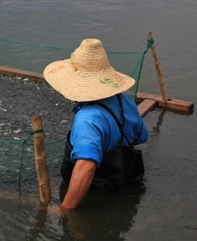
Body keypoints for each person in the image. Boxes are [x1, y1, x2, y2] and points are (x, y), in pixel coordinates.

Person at [43, 38, 148, 210]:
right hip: (125, 180)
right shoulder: (125, 100)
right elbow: (140, 136)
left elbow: (86, 166)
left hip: (97, 190)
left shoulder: (87, 119)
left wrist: (65, 208)